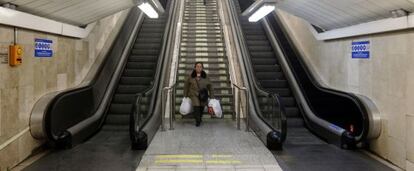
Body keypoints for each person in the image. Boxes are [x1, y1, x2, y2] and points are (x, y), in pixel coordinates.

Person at [184, 62, 214, 127]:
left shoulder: (206, 76)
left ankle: (199, 118)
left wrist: (212, 96)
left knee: (202, 106)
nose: (199, 68)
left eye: (200, 66)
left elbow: (210, 86)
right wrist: (185, 95)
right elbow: (186, 86)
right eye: (197, 66)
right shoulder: (191, 76)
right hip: (193, 94)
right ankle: (198, 120)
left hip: (203, 94)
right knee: (196, 106)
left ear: (202, 68)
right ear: (195, 67)